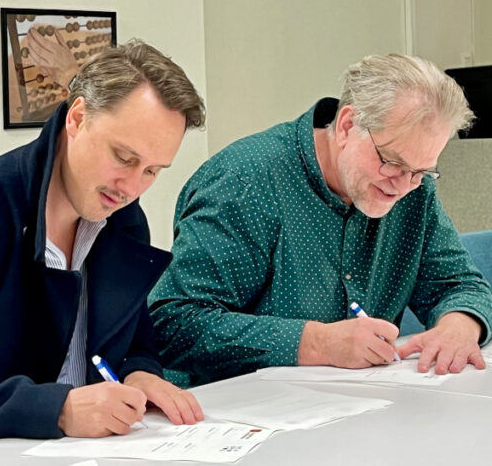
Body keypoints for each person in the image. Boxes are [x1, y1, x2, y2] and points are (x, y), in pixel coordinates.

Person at [147, 54, 492, 386]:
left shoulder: (414, 190)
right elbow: (173, 323)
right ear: (346, 126)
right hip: (232, 419)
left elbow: (459, 285)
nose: (402, 186)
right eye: (391, 162)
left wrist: (459, 325)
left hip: (364, 410)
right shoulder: (245, 182)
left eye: (420, 172)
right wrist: (316, 343)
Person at [0, 39, 206, 446]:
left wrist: (140, 372)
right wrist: (57, 408)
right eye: (124, 158)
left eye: (153, 171)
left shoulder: (124, 222)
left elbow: (134, 339)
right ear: (77, 117)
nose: (132, 188)